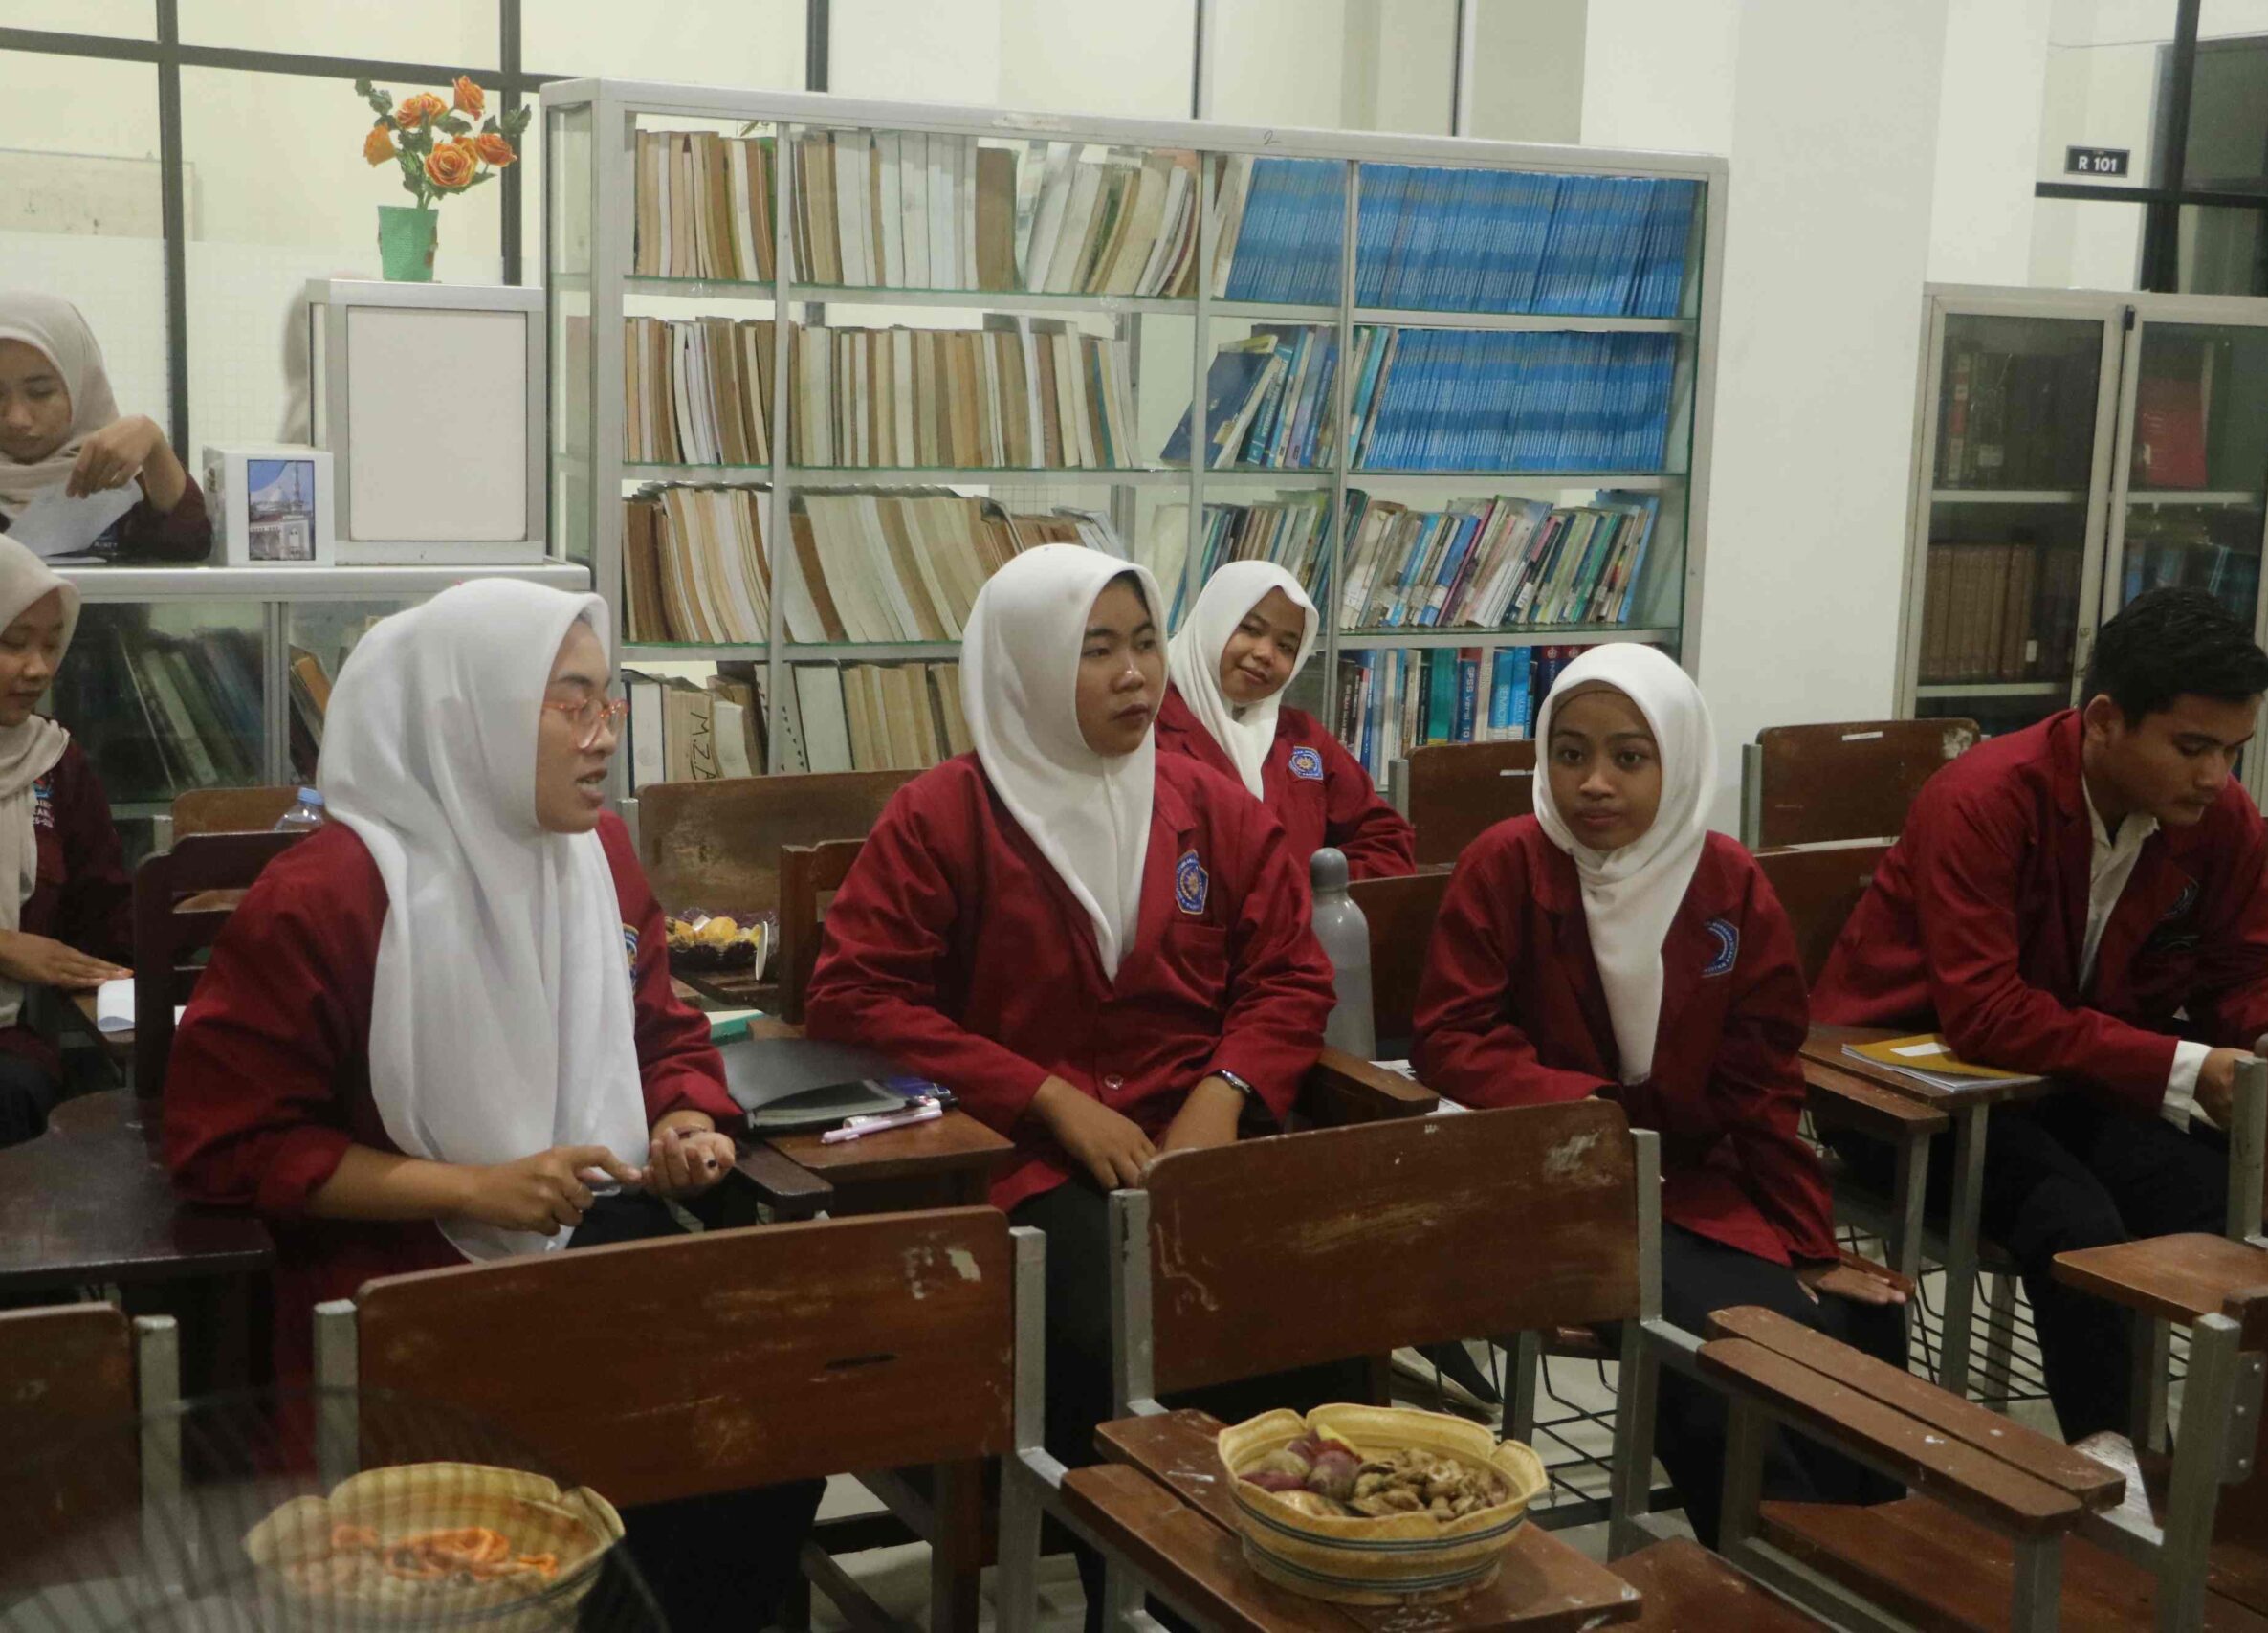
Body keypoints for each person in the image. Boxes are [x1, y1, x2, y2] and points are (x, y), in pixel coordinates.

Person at [162, 581, 806, 1631]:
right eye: (570, 704)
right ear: (469, 715)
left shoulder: (597, 856)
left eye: (608, 701)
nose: (604, 736)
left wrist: (684, 1121)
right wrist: (471, 1187)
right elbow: (228, 1145)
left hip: (591, 1239)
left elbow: (661, 1032)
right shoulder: (328, 894)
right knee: (595, 1467)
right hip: (399, 1279)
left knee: (770, 1432)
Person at [804, 545, 1344, 1606]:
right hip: (1013, 1166)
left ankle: (1281, 1588)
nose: (1135, 675)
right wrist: (1044, 1096)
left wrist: (1225, 1093)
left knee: (1307, 1309)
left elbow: (1289, 975)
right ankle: (1137, 1593)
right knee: (1111, 1319)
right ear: (1027, 666)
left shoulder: (1213, 806)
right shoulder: (945, 814)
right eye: (1096, 650)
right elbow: (853, 997)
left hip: (1194, 1147)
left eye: (1144, 643)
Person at [1410, 642, 1905, 1548]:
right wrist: (1595, 1110)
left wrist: (1808, 1242)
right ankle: (1771, 1560)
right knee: (1725, 1335)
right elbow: (1450, 1035)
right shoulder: (1507, 862)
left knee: (1858, 1319)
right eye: (1570, 754)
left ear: (1676, 761)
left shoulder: (1727, 882)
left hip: (1694, 1181)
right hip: (1555, 1182)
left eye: (1629, 757)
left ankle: (1867, 1560)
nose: (1594, 783)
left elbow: (1763, 1079)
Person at [1814, 586, 2268, 1451]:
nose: (2215, 775)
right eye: (2192, 746)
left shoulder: (2217, 815)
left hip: (2070, 1078)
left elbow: (2252, 969)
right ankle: (2115, 1467)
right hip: (1904, 1090)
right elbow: (1986, 1014)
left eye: (2234, 750)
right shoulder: (1984, 797)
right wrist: (2189, 1068)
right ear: (2107, 720)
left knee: (2247, 1199)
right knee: (2074, 1221)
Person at [1155, 561, 1414, 878]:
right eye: (1251, 629)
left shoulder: (1302, 738)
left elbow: (1388, 841)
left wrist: (1313, 894)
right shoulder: (1148, 728)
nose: (1266, 654)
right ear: (1212, 622)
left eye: (1286, 646)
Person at [0, 538, 131, 1146]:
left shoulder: (52, 763)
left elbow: (103, 918)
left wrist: (194, 914)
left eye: (52, 644)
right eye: (13, 642)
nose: (38, 669)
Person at [0, 294, 209, 560]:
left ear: (82, 386)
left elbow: (190, 547)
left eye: (40, 392)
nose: (17, 419)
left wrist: (155, 445)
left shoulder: (117, 472)